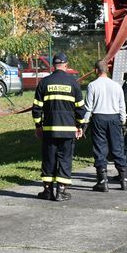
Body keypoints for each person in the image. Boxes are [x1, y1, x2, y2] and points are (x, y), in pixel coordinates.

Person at [31, 53, 86, 202]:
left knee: (49, 159)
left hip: (50, 130)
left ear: (53, 66)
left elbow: (36, 108)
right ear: (66, 65)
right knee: (65, 159)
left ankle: (47, 191)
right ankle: (61, 191)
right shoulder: (73, 83)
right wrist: (79, 125)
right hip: (68, 131)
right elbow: (80, 109)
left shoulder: (44, 83)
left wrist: (38, 126)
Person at [82, 60, 127, 192]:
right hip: (114, 118)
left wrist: (85, 123)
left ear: (96, 70)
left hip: (99, 118)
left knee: (100, 149)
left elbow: (88, 107)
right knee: (118, 148)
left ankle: (102, 181)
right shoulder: (116, 85)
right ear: (107, 70)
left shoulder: (92, 85)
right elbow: (122, 105)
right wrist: (123, 121)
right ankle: (124, 180)